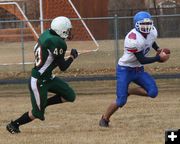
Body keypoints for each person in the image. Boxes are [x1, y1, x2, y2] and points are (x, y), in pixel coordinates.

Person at [6, 16, 78, 134]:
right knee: (37, 113)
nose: (70, 32)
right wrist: (72, 57)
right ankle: (14, 125)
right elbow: (63, 67)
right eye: (68, 30)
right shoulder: (58, 42)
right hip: (38, 80)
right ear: (61, 30)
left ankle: (43, 104)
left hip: (47, 77)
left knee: (70, 95)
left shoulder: (47, 34)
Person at [99, 11, 170, 127]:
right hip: (125, 69)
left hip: (138, 69)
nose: (146, 27)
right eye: (143, 25)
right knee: (121, 100)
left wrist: (157, 49)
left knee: (153, 92)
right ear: (136, 25)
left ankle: (130, 91)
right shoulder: (132, 39)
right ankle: (104, 119)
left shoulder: (152, 31)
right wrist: (158, 58)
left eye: (148, 24)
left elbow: (151, 41)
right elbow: (142, 59)